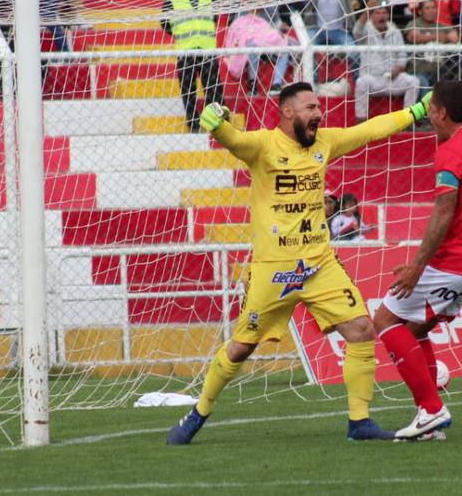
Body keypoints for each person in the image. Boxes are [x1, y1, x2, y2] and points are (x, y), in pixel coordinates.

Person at [166, 82, 434, 445]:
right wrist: (215, 122)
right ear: (288, 112)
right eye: (310, 107)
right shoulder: (263, 146)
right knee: (241, 347)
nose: (318, 114)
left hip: (319, 264)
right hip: (273, 269)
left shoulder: (324, 142)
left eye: (319, 107)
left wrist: (416, 112)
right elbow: (234, 140)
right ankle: (197, 413)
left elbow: (369, 130)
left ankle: (360, 422)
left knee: (361, 330)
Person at [376, 80, 462, 440]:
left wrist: (417, 266)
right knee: (412, 331)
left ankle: (432, 409)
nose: (427, 115)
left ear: (442, 112)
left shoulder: (452, 150)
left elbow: (444, 211)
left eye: (429, 108)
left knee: (385, 319)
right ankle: (429, 419)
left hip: (455, 261)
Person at [165, 0, 225, 131]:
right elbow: (164, 22)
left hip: (206, 48)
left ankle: (218, 122)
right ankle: (193, 123)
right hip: (186, 49)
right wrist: (182, 33)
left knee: (213, 88)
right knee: (188, 90)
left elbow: (215, 16)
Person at [352, 0, 420, 124]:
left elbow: (402, 55)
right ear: (372, 16)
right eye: (377, 13)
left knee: (414, 81)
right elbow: (356, 32)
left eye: (384, 13)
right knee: (361, 82)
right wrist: (367, 11)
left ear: (388, 15)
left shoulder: (395, 32)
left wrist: (398, 69)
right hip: (372, 79)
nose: (381, 16)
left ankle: (408, 121)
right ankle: (361, 121)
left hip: (392, 78)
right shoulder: (366, 30)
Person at [224, 8, 292, 95]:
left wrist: (280, 30)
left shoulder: (271, 11)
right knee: (252, 44)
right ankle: (253, 84)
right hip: (252, 47)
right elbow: (238, 30)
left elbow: (277, 28)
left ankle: (276, 84)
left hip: (269, 45)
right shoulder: (242, 12)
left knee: (284, 49)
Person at [405, 0, 459, 97]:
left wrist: (425, 36)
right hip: (418, 71)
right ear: (420, 11)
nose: (431, 10)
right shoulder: (414, 24)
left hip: (441, 71)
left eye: (433, 8)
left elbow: (454, 38)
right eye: (427, 8)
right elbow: (414, 37)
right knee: (423, 82)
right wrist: (440, 37)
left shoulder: (442, 26)